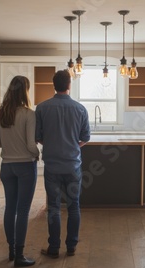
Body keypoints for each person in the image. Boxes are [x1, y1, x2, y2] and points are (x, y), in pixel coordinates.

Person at [36, 70, 90, 258]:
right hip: (73, 166)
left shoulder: (42, 108)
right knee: (74, 206)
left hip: (52, 165)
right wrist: (72, 145)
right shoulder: (80, 109)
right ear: (69, 85)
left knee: (54, 207)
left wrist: (52, 143)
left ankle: (54, 247)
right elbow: (85, 138)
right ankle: (71, 246)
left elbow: (38, 137)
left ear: (54, 85)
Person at [0, 75, 39, 267]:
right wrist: (38, 153)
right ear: (25, 91)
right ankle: (20, 256)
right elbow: (30, 145)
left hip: (6, 167)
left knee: (10, 207)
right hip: (25, 166)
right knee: (23, 210)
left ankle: (11, 251)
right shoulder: (28, 114)